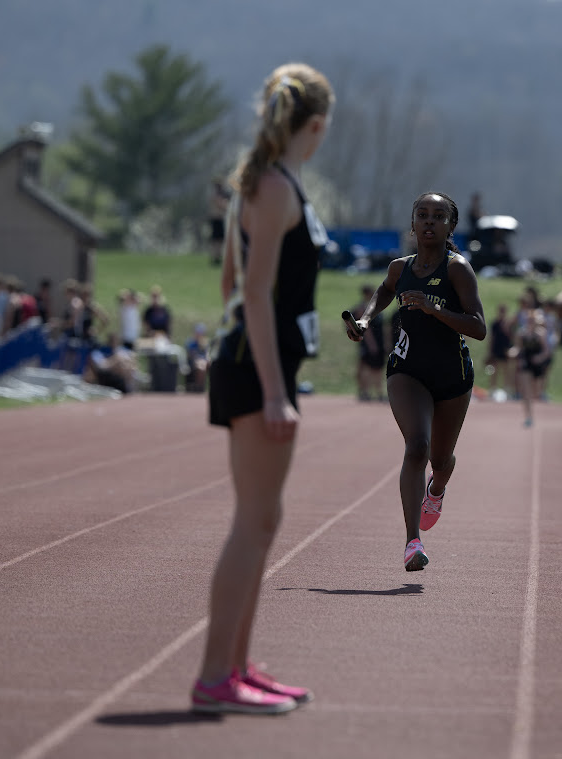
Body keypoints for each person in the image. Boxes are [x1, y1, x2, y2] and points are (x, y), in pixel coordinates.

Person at [195, 62, 334, 716]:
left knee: (263, 518)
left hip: (255, 362)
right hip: (258, 370)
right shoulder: (275, 187)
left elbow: (230, 282)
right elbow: (251, 292)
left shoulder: (262, 182)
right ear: (315, 125)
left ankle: (237, 667)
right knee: (252, 521)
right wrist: (275, 391)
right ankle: (214, 676)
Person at [344, 191, 486, 572]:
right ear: (412, 223)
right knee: (417, 447)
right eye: (422, 215)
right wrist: (365, 320)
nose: (429, 222)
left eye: (438, 216)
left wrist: (433, 307)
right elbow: (384, 290)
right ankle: (412, 542)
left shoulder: (458, 270)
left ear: (450, 226)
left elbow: (478, 327)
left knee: (440, 460)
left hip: (453, 376)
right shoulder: (399, 268)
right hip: (407, 371)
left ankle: (436, 490)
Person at [512, 308, 550, 427]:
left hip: (537, 365)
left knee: (536, 392)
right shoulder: (521, 333)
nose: (530, 322)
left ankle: (533, 406)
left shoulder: (541, 334)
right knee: (526, 392)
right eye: (529, 320)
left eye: (532, 320)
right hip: (526, 363)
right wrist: (513, 353)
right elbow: (518, 348)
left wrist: (539, 358)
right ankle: (528, 416)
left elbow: (546, 351)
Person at [351, 284, 387, 401]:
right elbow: (366, 330)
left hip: (377, 343)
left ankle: (376, 392)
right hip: (369, 345)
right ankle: (365, 392)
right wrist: (372, 345)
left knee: (376, 369)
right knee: (367, 368)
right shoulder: (362, 308)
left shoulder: (375, 307)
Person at [485, 302, 513, 398]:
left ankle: (507, 390)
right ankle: (492, 390)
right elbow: (492, 338)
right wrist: (490, 351)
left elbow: (512, 337)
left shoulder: (508, 324)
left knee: (506, 371)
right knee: (494, 371)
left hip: (505, 349)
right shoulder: (495, 324)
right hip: (496, 349)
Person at [184, 322, 209, 393]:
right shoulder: (190, 342)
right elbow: (191, 356)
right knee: (201, 367)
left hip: (204, 362)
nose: (199, 335)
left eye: (201, 333)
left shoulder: (205, 343)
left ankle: (202, 387)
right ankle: (199, 388)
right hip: (193, 362)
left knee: (204, 365)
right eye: (198, 333)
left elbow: (207, 354)